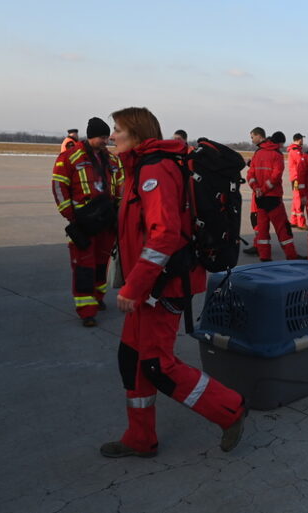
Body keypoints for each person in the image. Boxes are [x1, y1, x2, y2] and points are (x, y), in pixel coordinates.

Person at [101, 106, 245, 458]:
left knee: (157, 364)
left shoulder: (155, 170)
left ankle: (229, 409)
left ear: (136, 132)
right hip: (148, 285)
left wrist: (134, 286)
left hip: (162, 286)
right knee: (132, 358)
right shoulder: (140, 167)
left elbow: (163, 235)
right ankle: (140, 437)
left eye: (117, 129)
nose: (112, 136)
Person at [52, 117, 124, 327]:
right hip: (83, 222)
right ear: (91, 136)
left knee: (102, 264)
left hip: (106, 221)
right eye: (102, 137)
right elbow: (59, 186)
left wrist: (118, 212)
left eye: (107, 137)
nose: (106, 141)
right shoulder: (69, 157)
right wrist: (70, 216)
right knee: (84, 266)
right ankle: (86, 311)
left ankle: (98, 298)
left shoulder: (112, 160)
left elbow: (121, 185)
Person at [247, 131, 304, 261]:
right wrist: (264, 189)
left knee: (262, 229)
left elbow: (250, 174)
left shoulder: (258, 152)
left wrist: (257, 189)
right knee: (283, 229)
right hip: (273, 198)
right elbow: (276, 176)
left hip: (259, 198)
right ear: (279, 143)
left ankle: (264, 256)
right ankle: (291, 255)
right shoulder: (277, 154)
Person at [242, 127, 267, 256]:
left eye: (252, 137)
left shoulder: (261, 151)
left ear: (259, 136)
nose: (252, 140)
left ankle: (259, 246)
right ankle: (260, 245)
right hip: (263, 190)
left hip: (260, 191)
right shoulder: (266, 151)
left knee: (256, 219)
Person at [287, 133, 306, 229]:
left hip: (295, 178)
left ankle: (294, 220)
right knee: (299, 199)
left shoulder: (295, 150)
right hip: (297, 179)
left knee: (296, 199)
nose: (303, 141)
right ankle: (301, 223)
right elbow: (301, 164)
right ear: (299, 140)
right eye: (302, 139)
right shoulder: (295, 151)